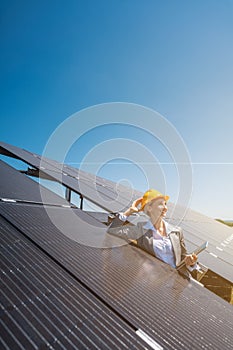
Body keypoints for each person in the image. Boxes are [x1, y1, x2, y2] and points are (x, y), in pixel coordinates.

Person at [107, 189, 199, 277]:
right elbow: (112, 230)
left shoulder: (177, 231)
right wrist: (129, 211)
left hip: (178, 283)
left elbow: (183, 256)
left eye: (165, 204)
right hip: (155, 282)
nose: (165, 208)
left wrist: (190, 261)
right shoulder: (141, 230)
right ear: (149, 208)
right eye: (160, 204)